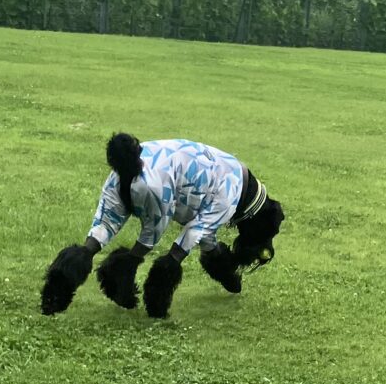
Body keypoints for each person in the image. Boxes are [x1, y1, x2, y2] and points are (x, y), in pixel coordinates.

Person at [40, 132, 284, 319]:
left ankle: (54, 295)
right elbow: (197, 231)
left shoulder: (227, 169)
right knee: (168, 254)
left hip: (125, 172)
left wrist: (228, 274)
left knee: (96, 237)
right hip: (155, 183)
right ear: (257, 220)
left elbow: (207, 236)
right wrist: (176, 256)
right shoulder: (232, 188)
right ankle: (146, 297)